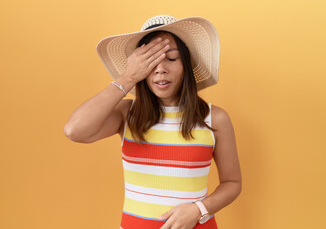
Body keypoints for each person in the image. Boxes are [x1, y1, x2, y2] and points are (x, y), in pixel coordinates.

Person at [64, 15, 242, 229]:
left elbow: (232, 183)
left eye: (172, 58)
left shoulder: (215, 118)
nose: (160, 68)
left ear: (187, 64)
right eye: (149, 61)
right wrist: (128, 77)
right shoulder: (127, 114)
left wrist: (199, 209)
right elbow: (74, 130)